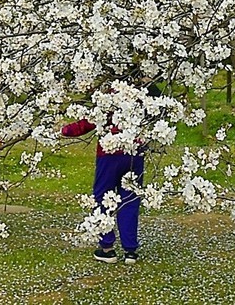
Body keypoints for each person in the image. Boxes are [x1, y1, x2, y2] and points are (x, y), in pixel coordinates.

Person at [61, 80, 161, 264]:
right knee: (130, 200)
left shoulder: (108, 95)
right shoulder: (145, 92)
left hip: (109, 154)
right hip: (134, 153)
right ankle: (130, 250)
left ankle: (107, 247)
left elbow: (90, 121)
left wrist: (65, 130)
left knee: (103, 198)